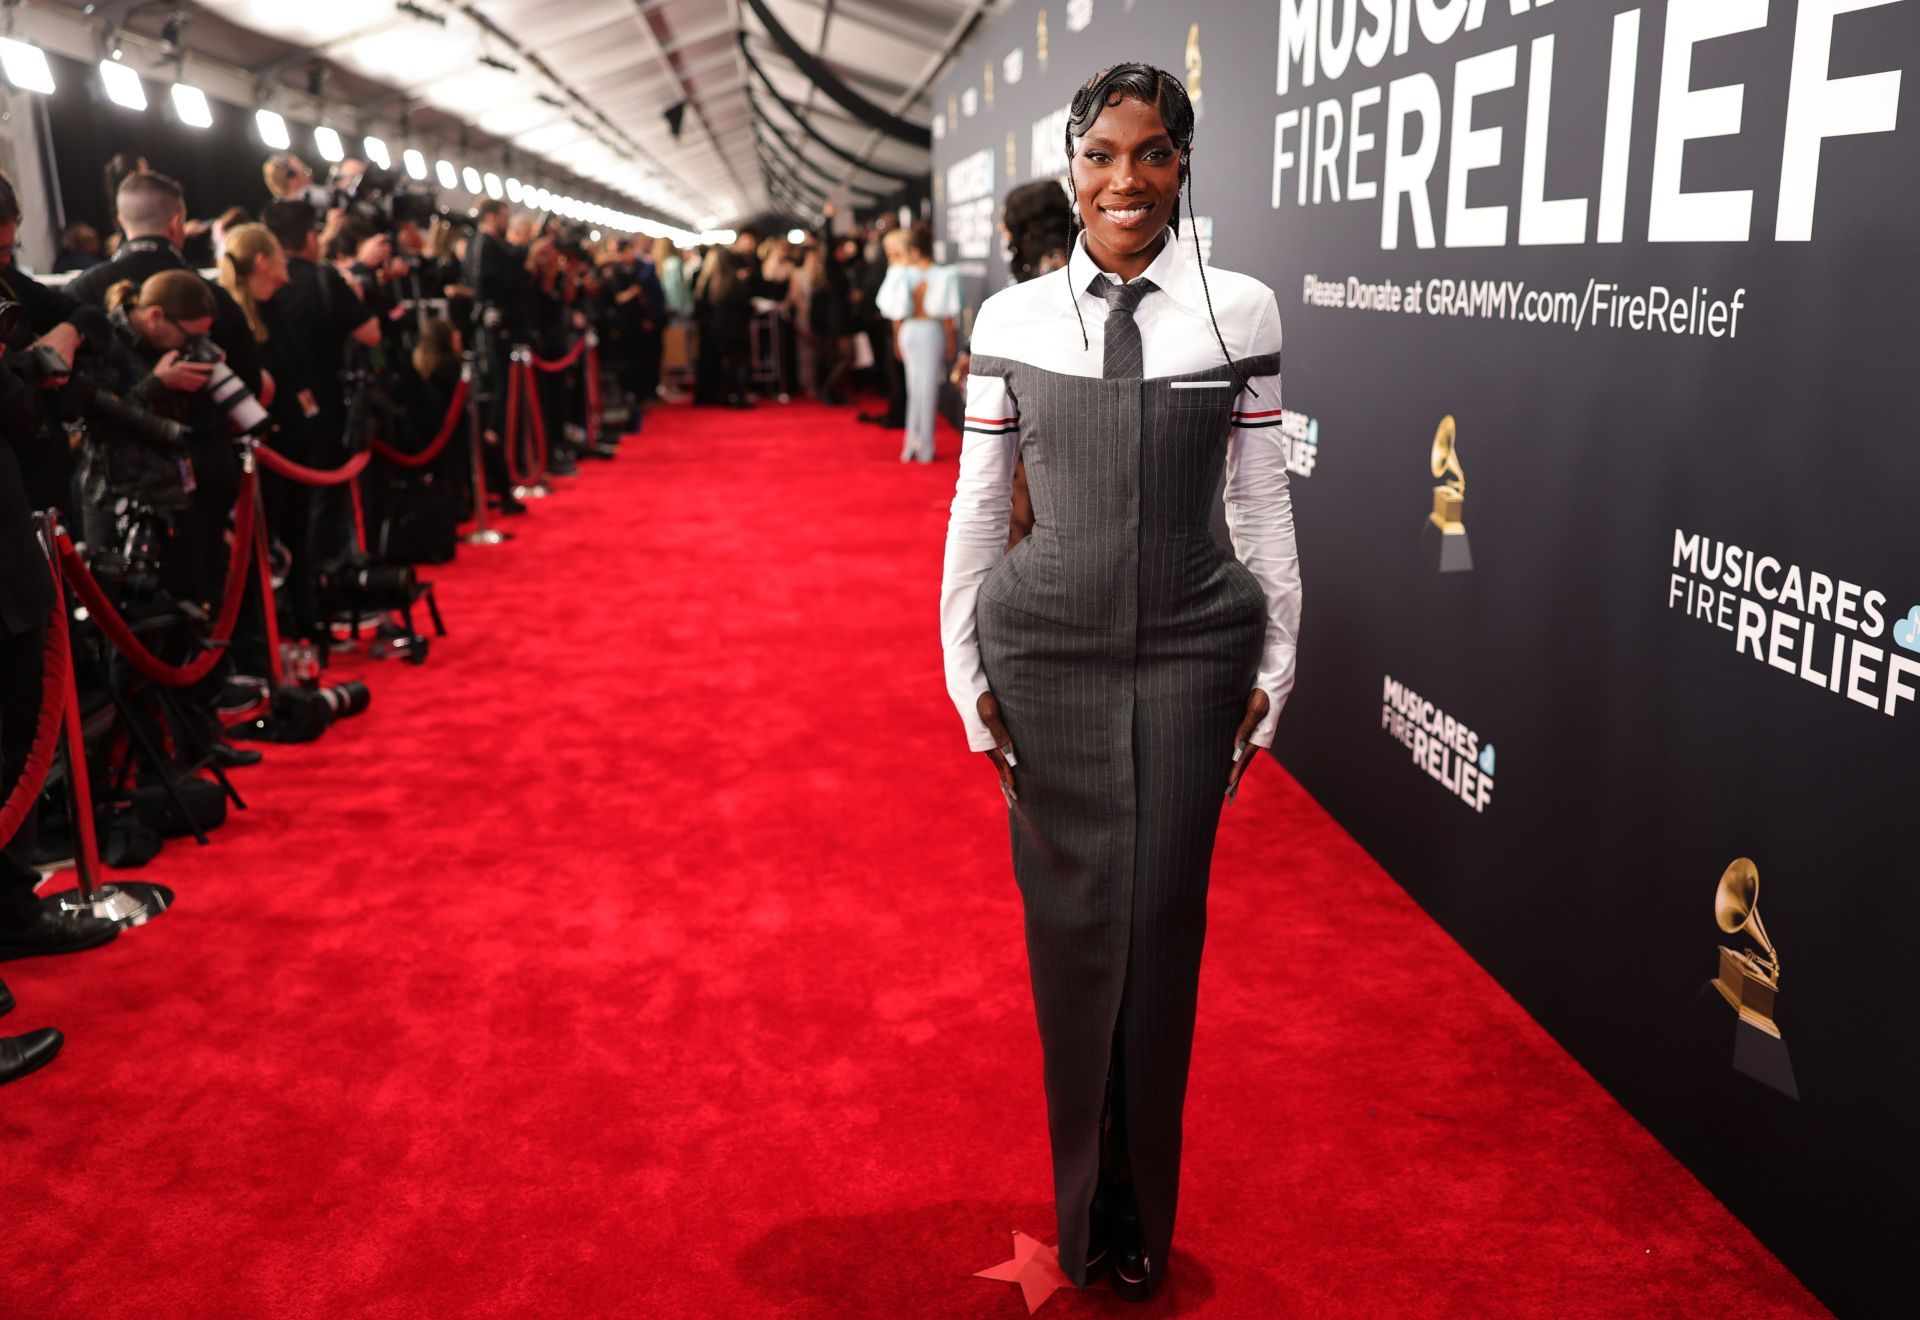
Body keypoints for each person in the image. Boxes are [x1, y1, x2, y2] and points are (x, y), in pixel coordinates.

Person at [939, 63, 1302, 1301]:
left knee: (1163, 930)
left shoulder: (1240, 312)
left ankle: (1140, 1208)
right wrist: (959, 666)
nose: (1124, 181)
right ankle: (1085, 1210)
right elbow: (981, 508)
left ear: (1184, 162)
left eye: (1150, 154)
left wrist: (1281, 662)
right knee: (1075, 939)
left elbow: (1260, 504)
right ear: (1070, 165)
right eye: (1100, 155)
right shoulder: (1011, 322)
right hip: (1044, 651)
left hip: (1198, 657)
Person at [875, 224, 958, 463]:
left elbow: (895, 313)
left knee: (915, 389)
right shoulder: (943, 275)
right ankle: (925, 448)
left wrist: (897, 339)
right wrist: (950, 340)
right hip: (930, 330)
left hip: (910, 331)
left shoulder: (902, 274)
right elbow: (948, 315)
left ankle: (911, 445)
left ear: (913, 249)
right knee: (928, 388)